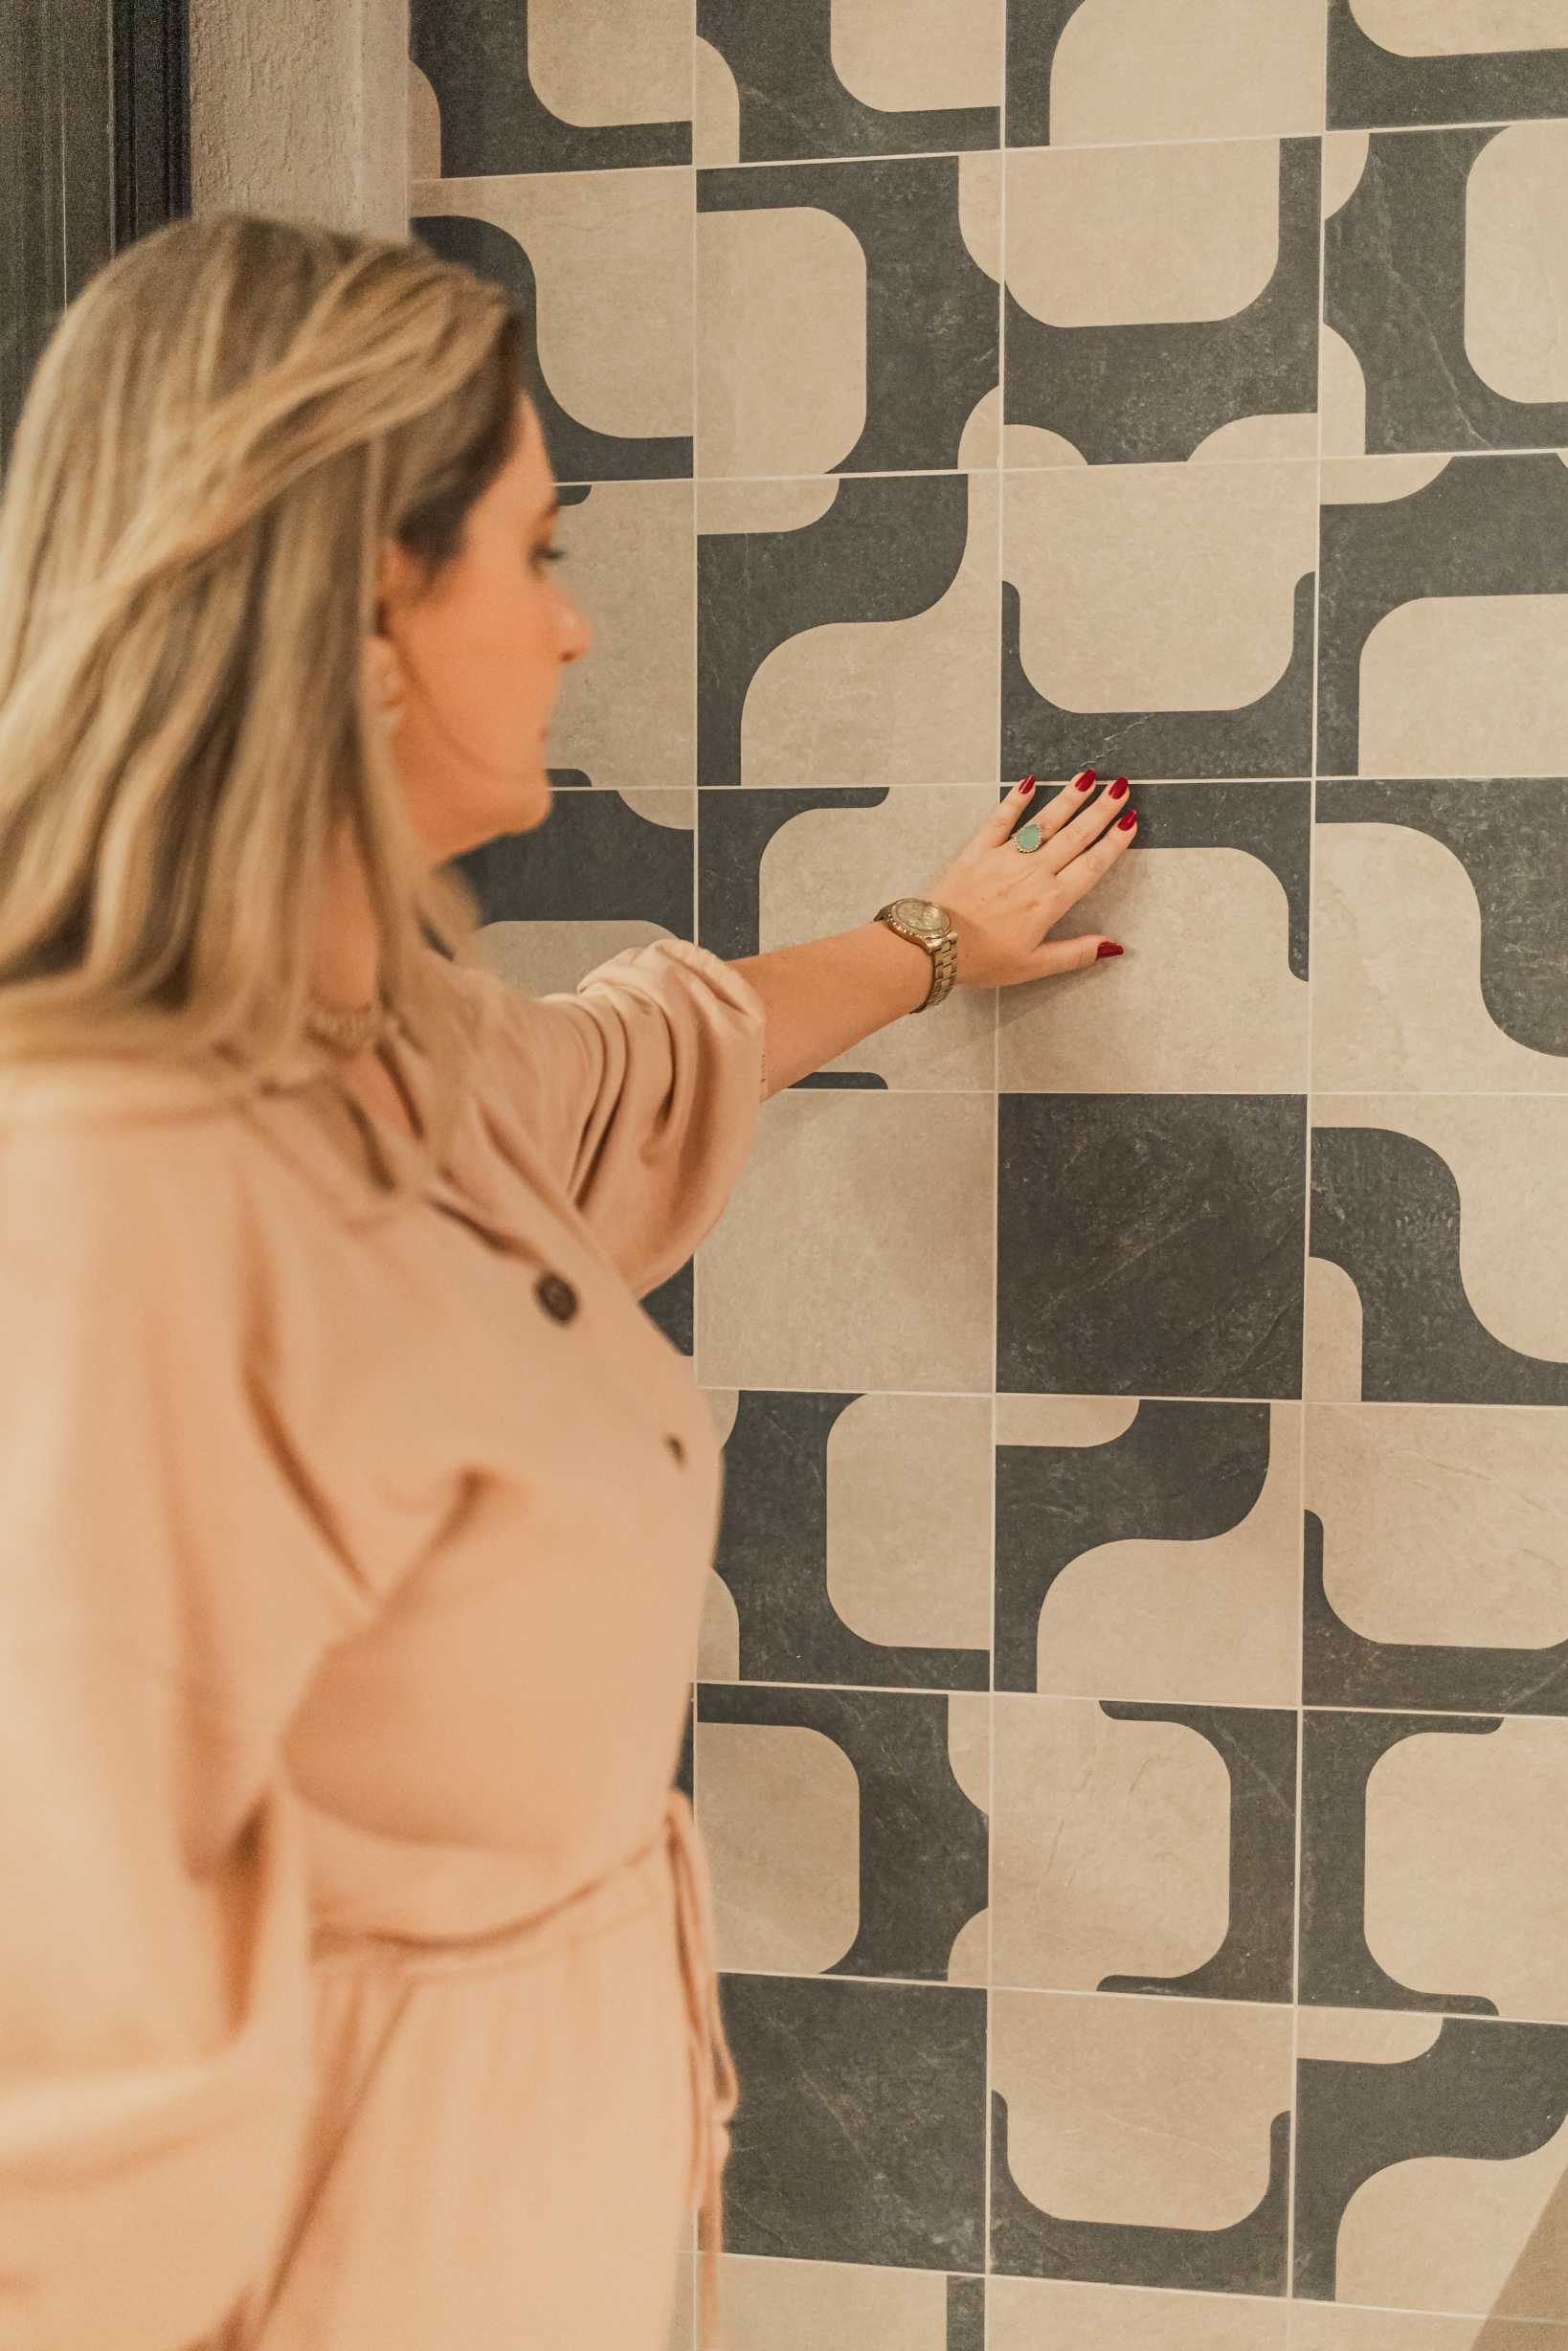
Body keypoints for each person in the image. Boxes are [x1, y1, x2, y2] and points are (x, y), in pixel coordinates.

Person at [0, 213, 1136, 2351]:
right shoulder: (115, 1197)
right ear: (362, 614)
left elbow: (642, 1065)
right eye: (532, 554)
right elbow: (54, 2072)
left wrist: (930, 938)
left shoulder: (381, 1061)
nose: (574, 622)